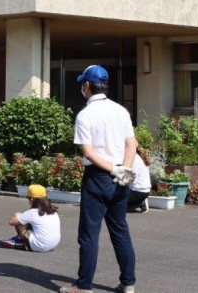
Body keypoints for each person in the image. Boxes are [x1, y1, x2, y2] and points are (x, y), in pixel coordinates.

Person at [60, 65, 138, 293]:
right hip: (122, 176)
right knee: (120, 230)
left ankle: (84, 286)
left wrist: (114, 169)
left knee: (89, 234)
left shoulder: (85, 115)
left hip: (98, 177)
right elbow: (131, 144)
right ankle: (128, 283)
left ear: (86, 86)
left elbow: (89, 153)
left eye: (81, 85)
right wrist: (124, 168)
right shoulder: (121, 110)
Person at [1, 184, 61, 252]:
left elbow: (11, 222)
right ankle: (23, 239)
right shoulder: (53, 211)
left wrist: (16, 215)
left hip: (38, 246)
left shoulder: (32, 212)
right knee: (27, 220)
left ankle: (20, 239)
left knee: (17, 215)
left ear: (32, 199)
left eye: (28, 197)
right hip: (53, 244)